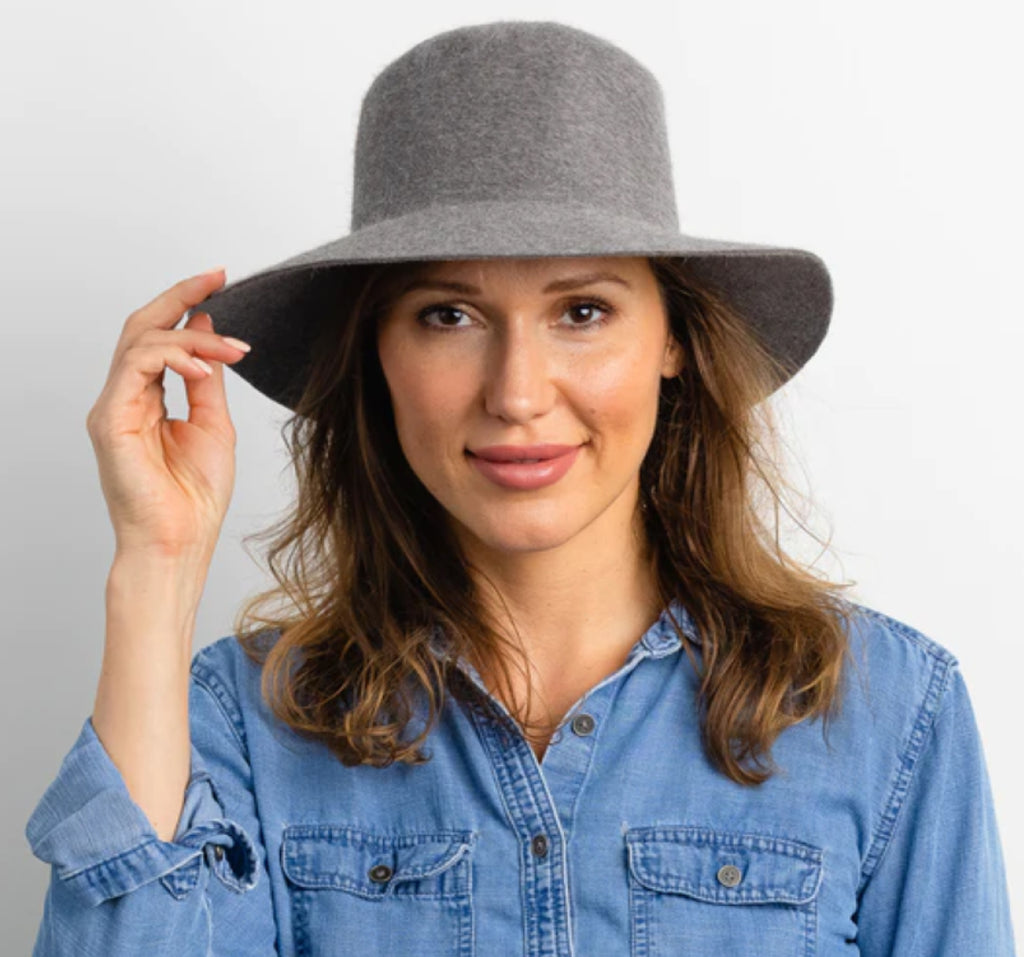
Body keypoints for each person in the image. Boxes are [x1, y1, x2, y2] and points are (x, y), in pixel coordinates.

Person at [25, 20, 1014, 957]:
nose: (516, 393)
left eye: (582, 310)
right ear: (376, 353)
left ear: (672, 340)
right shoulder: (243, 719)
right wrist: (157, 565)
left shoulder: (886, 709)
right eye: (448, 315)